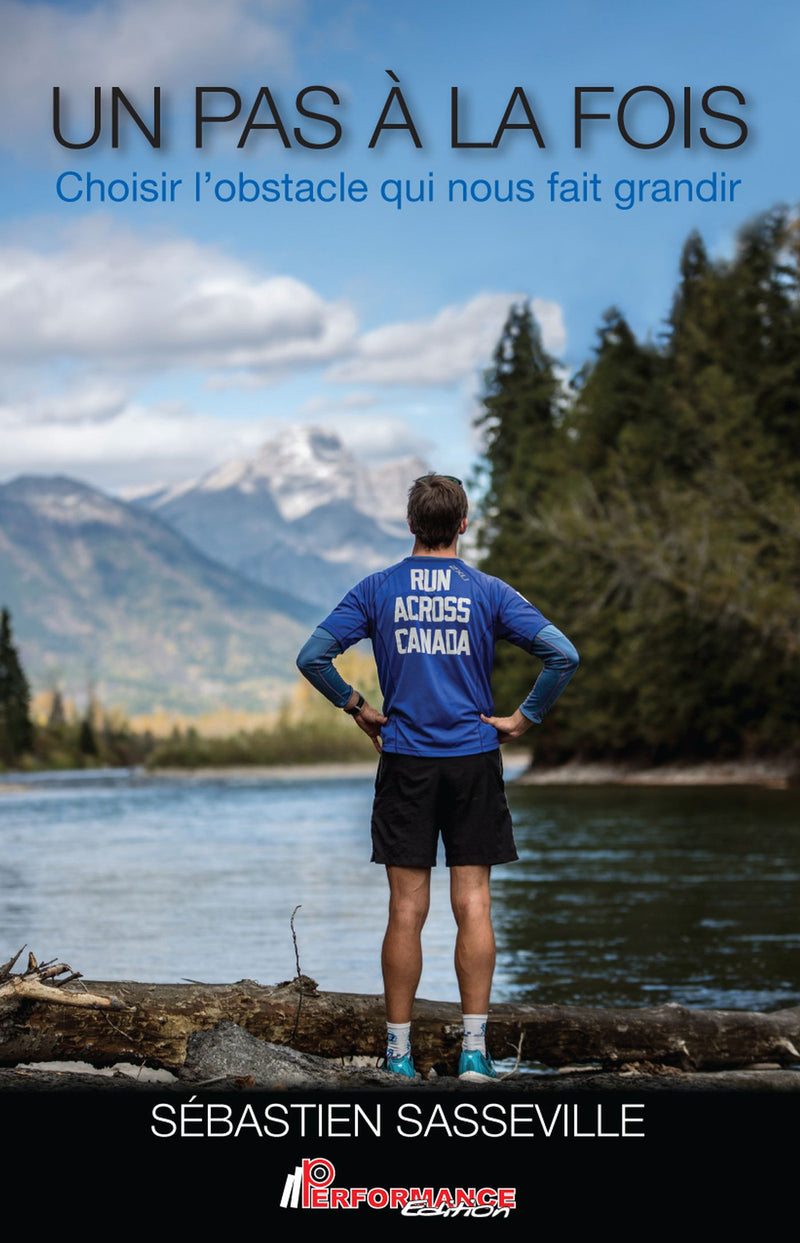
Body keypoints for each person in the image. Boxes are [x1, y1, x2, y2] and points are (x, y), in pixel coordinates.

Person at [296, 474, 578, 1080]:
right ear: (464, 525)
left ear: (410, 525)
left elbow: (312, 656)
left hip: (406, 760)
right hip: (474, 757)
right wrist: (524, 721)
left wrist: (357, 706)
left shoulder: (377, 590)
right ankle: (474, 1054)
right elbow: (563, 654)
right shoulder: (489, 591)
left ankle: (397, 1058)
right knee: (473, 902)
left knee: (405, 909)